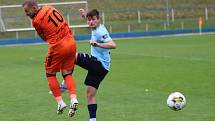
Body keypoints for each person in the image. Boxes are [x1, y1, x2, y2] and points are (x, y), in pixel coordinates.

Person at [22, 0, 78, 117]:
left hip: (58, 46)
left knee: (50, 73)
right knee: (67, 73)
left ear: (34, 8)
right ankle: (73, 98)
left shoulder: (36, 21)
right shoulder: (50, 7)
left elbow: (44, 38)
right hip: (71, 42)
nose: (26, 14)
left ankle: (60, 102)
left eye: (27, 11)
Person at [78, 9, 117, 121]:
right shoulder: (94, 26)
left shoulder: (101, 32)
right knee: (90, 94)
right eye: (89, 20)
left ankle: (65, 84)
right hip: (103, 68)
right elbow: (90, 21)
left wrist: (97, 44)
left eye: (93, 20)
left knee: (73, 56)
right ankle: (93, 120)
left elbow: (113, 45)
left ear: (99, 20)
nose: (91, 22)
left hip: (98, 64)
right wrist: (85, 15)